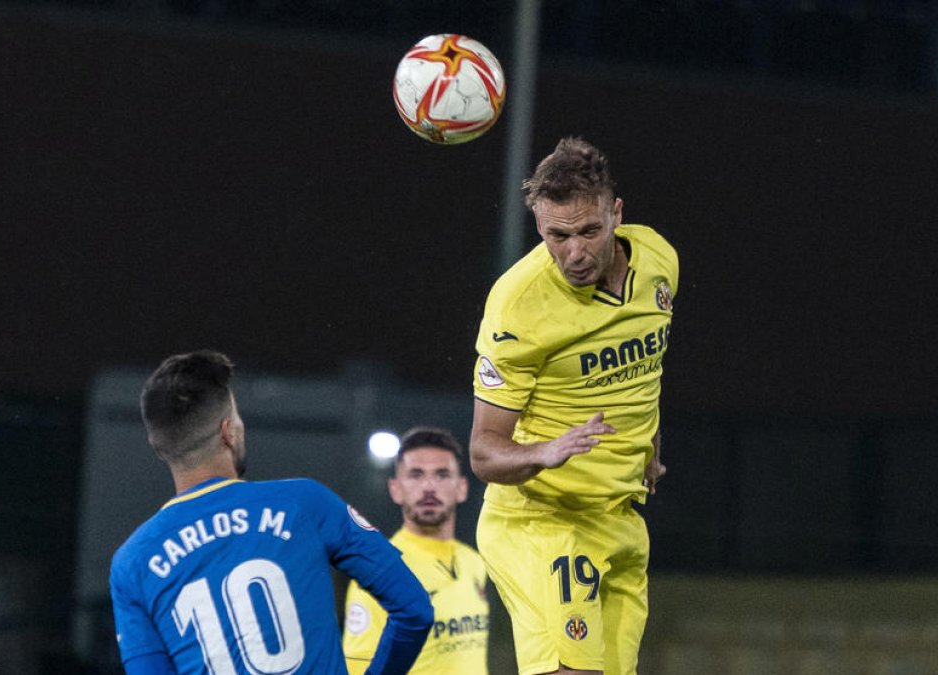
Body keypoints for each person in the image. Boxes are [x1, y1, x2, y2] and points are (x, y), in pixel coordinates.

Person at [469, 137, 677, 675]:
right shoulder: (518, 305)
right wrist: (545, 452)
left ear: (617, 213)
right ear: (539, 227)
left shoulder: (658, 260)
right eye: (556, 236)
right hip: (541, 520)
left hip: (621, 518)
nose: (575, 253)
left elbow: (646, 367)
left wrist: (650, 446)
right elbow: (484, 454)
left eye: (589, 231)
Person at [109, 350, 433, 675]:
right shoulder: (305, 503)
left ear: (158, 447)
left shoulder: (132, 562)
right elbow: (415, 611)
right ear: (228, 431)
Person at [342, 426, 489, 674]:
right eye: (416, 475)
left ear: (462, 488)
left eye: (442, 475)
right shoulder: (378, 570)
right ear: (395, 489)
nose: (429, 486)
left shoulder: (474, 561)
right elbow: (358, 666)